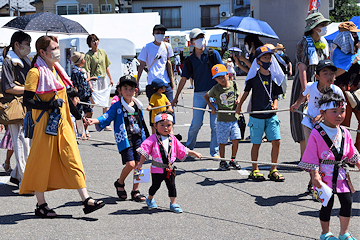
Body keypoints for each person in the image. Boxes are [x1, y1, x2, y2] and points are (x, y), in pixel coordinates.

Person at [20, 35, 105, 218]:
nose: (57, 51)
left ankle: (86, 199)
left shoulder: (57, 71)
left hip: (64, 123)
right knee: (41, 163)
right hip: (45, 125)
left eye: (58, 47)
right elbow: (27, 101)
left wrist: (78, 116)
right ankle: (41, 204)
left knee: (73, 158)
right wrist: (48, 105)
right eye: (54, 48)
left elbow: (65, 99)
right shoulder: (35, 73)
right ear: (43, 52)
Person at [298, 90, 360, 240]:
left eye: (342, 111)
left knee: (347, 202)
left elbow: (352, 153)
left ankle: (344, 232)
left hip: (341, 175)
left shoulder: (344, 132)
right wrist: (315, 175)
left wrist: (358, 163)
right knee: (327, 204)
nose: (339, 115)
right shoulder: (317, 132)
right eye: (334, 111)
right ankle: (325, 233)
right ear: (323, 112)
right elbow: (311, 155)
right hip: (324, 175)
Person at [86, 75, 149, 202]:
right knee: (131, 164)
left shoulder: (138, 104)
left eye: (131, 89)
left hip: (138, 137)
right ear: (119, 90)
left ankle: (135, 190)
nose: (128, 91)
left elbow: (142, 122)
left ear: (135, 91)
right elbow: (107, 116)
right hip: (125, 138)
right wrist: (94, 120)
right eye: (125, 88)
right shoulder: (117, 105)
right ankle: (120, 183)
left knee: (139, 164)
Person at [290, 59, 345, 194]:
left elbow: (343, 108)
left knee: (324, 156)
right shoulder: (311, 86)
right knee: (313, 155)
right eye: (325, 73)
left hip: (327, 127)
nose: (329, 76)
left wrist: (327, 118)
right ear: (317, 76)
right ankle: (315, 185)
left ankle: (315, 182)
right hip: (309, 125)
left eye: (332, 73)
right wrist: (296, 105)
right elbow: (303, 95)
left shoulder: (336, 90)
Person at [136, 111, 202, 213]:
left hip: (170, 168)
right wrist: (140, 163)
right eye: (162, 125)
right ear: (155, 126)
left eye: (169, 125)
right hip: (157, 168)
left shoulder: (173, 138)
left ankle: (173, 203)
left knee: (171, 186)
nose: (166, 127)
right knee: (155, 186)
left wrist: (194, 153)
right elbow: (145, 151)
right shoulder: (152, 139)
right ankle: (149, 198)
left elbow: (182, 149)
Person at [172, 28, 223, 157]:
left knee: (215, 125)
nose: (201, 40)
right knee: (196, 123)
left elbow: (223, 72)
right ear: (192, 42)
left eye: (202, 37)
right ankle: (188, 148)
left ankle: (215, 152)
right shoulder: (190, 60)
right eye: (197, 38)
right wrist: (176, 96)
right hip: (199, 94)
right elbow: (184, 79)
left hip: (215, 93)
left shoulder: (213, 54)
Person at [236, 46, 284, 181]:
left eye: (269, 58)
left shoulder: (274, 77)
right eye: (265, 58)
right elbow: (246, 93)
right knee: (256, 143)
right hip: (256, 116)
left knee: (276, 141)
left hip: (271, 115)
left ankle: (273, 169)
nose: (268, 60)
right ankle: (255, 169)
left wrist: (275, 104)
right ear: (258, 61)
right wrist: (239, 106)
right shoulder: (253, 77)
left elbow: (276, 95)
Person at [290, 12, 330, 160]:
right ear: (314, 27)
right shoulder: (303, 43)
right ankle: (305, 156)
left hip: (321, 83)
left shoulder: (324, 42)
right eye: (322, 25)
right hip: (305, 82)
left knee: (322, 117)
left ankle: (319, 155)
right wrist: (305, 89)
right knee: (305, 119)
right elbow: (302, 67)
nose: (325, 27)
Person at [1, 31, 32, 187]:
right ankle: (25, 180)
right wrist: (29, 89)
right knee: (21, 143)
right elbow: (8, 88)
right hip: (16, 107)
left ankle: (15, 175)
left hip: (26, 106)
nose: (29, 47)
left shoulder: (26, 60)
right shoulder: (8, 61)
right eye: (27, 43)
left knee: (27, 142)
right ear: (17, 45)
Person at [204, 64, 241, 170]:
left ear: (227, 74)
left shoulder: (233, 85)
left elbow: (238, 94)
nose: (221, 79)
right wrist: (212, 107)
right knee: (222, 142)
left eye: (222, 76)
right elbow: (206, 96)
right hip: (222, 120)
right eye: (218, 77)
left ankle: (233, 159)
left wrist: (238, 101)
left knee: (236, 140)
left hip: (233, 119)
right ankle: (223, 161)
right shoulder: (216, 89)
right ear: (215, 79)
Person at [331, 21, 360, 151]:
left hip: (357, 91)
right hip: (342, 92)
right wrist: (351, 62)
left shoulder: (358, 50)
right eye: (353, 34)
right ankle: (344, 152)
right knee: (344, 124)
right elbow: (335, 73)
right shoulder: (337, 52)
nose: (356, 37)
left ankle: (357, 150)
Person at [137, 24, 174, 106]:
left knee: (169, 107)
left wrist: (172, 81)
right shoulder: (146, 47)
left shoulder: (167, 46)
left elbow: (168, 63)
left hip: (165, 82)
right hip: (152, 82)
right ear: (153, 34)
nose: (160, 34)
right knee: (154, 108)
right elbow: (141, 65)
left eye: (162, 33)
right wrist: (137, 81)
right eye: (158, 32)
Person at [84, 34, 113, 131]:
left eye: (96, 40)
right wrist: (89, 83)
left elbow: (106, 66)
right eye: (93, 41)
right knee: (92, 102)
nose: (95, 42)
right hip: (93, 80)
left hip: (103, 78)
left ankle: (105, 123)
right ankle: (85, 124)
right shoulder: (88, 55)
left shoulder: (103, 52)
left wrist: (111, 78)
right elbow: (87, 70)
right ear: (89, 43)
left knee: (105, 101)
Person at [71, 51, 97, 137]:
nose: (84, 60)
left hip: (86, 95)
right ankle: (80, 132)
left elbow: (84, 83)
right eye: (83, 59)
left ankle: (85, 129)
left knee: (90, 112)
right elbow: (75, 85)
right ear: (80, 60)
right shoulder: (75, 71)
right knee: (78, 114)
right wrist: (75, 96)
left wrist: (90, 79)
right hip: (80, 96)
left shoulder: (82, 70)